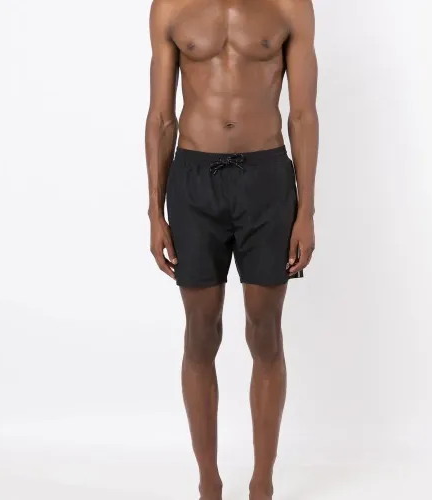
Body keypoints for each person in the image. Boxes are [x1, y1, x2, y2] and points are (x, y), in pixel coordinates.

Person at [145, 0, 318, 498]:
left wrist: (306, 210)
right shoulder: (171, 7)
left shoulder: (290, 6)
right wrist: (155, 210)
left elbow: (302, 114)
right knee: (201, 334)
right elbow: (161, 117)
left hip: (266, 180)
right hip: (194, 180)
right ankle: (209, 484)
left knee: (265, 332)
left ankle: (262, 485)